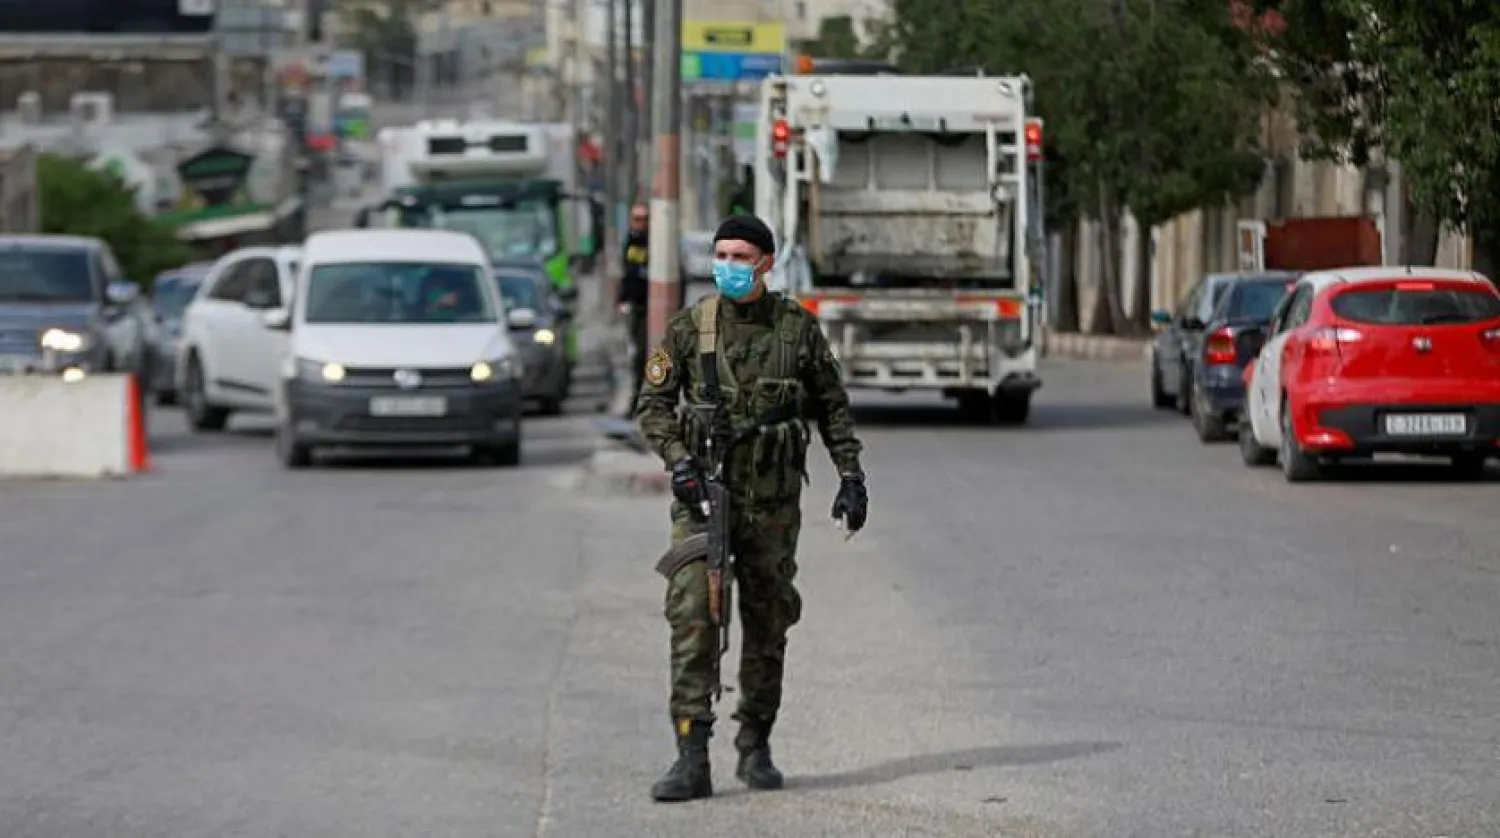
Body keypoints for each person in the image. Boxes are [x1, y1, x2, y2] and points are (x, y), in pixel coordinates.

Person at [633, 213, 869, 802]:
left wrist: (850, 476)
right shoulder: (692, 328)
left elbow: (832, 408)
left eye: (741, 256)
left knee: (769, 619)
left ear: (765, 262)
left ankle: (755, 741)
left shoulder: (796, 331)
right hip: (704, 500)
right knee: (692, 611)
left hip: (771, 502)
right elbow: (654, 405)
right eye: (722, 256)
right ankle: (691, 754)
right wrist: (679, 463)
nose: (729, 266)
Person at [618, 204, 651, 412]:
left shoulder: (654, 242)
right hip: (634, 306)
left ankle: (641, 401)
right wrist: (622, 299)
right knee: (635, 355)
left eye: (643, 219)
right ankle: (636, 400)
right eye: (636, 219)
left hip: (651, 306)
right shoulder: (630, 241)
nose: (640, 224)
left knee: (645, 355)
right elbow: (627, 274)